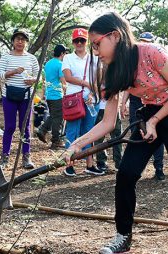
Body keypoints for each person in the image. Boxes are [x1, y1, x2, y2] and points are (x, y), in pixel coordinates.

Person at [65, 12, 168, 254]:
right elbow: (107, 122)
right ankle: (123, 236)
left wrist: (155, 121)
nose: (95, 51)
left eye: (97, 44)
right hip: (149, 113)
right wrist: (75, 146)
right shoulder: (113, 70)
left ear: (115, 36)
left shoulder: (151, 52)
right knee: (126, 173)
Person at [120, 32, 166, 180]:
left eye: (147, 42)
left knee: (156, 137)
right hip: (136, 105)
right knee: (138, 136)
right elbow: (128, 87)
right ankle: (137, 169)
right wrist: (123, 103)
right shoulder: (130, 62)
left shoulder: (156, 57)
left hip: (156, 105)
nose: (144, 45)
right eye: (142, 42)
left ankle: (159, 168)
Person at [61, 28, 103, 177]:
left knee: (89, 133)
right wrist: (86, 84)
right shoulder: (68, 58)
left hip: (91, 99)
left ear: (87, 41)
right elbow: (68, 77)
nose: (79, 43)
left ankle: (90, 165)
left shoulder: (95, 57)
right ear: (73, 42)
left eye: (82, 40)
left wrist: (92, 92)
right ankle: (69, 164)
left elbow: (99, 77)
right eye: (76, 40)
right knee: (72, 132)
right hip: (74, 100)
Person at [0, 29, 39, 169]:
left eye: (23, 39)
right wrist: (13, 72)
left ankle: (26, 157)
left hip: (26, 96)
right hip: (9, 96)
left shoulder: (32, 58)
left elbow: (39, 77)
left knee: (25, 127)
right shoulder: (6, 57)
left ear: (26, 42)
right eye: (17, 39)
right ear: (13, 41)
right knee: (9, 127)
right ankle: (4, 157)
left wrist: (32, 80)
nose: (20, 41)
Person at [36, 44, 68, 150]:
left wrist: (44, 94)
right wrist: (66, 93)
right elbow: (63, 82)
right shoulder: (60, 64)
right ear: (62, 53)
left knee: (54, 115)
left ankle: (42, 129)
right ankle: (56, 141)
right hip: (57, 94)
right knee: (58, 118)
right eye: (65, 53)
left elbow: (45, 80)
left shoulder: (48, 63)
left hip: (49, 94)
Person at [95, 67, 122, 173]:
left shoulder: (99, 79)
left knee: (103, 138)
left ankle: (103, 162)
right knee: (116, 137)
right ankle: (116, 162)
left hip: (107, 109)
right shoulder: (113, 78)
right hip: (106, 109)